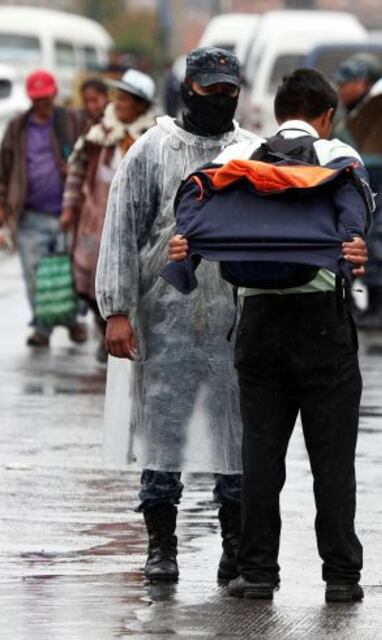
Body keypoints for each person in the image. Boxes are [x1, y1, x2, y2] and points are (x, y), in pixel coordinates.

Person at [168, 68, 372, 603]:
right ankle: (341, 577)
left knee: (260, 459)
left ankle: (258, 573)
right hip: (322, 326)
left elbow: (192, 196)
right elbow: (356, 207)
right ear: (326, 116)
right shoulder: (335, 155)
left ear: (280, 111)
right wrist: (352, 239)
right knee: (332, 463)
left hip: (258, 327)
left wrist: (185, 241)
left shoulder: (240, 158)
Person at [96, 47, 257, 584]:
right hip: (163, 323)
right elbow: (120, 233)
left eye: (228, 90)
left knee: (235, 440)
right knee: (161, 434)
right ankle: (161, 547)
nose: (219, 99)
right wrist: (116, 311)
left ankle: (235, 549)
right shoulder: (149, 151)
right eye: (209, 89)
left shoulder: (254, 153)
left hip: (234, 324)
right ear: (188, 87)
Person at [61, 69, 158, 362]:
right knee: (89, 278)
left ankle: (126, 331)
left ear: (141, 105)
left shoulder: (152, 139)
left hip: (135, 226)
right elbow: (77, 171)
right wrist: (69, 206)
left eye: (126, 99)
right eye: (118, 97)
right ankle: (103, 325)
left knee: (130, 276)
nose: (118, 103)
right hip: (95, 219)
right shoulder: (98, 133)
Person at [0, 69, 87, 348]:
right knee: (34, 275)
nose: (41, 104)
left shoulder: (69, 122)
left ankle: (74, 321)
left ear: (53, 95)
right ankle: (42, 328)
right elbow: (3, 168)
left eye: (45, 98)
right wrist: (2, 206)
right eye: (36, 99)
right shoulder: (18, 127)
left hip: (68, 214)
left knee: (70, 274)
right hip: (29, 215)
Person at [334, 54, 382, 330]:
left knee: (381, 246)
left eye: (348, 83)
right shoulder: (346, 114)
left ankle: (380, 306)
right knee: (355, 244)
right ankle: (361, 303)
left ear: (364, 84)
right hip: (354, 185)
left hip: (380, 186)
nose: (342, 89)